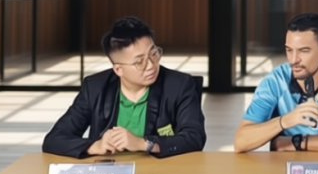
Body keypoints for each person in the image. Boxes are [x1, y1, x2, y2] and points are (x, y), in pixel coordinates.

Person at [43, 16, 207, 159]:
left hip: (162, 173)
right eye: (139, 62)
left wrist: (144, 144)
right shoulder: (95, 88)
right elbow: (55, 139)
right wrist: (95, 146)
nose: (151, 65)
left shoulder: (179, 85)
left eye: (154, 53)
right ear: (118, 69)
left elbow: (194, 137)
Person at [234, 13, 318, 153]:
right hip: (288, 165)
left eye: (304, 51)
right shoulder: (276, 80)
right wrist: (284, 121)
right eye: (289, 50)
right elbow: (240, 142)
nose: (293, 60)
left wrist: (297, 142)